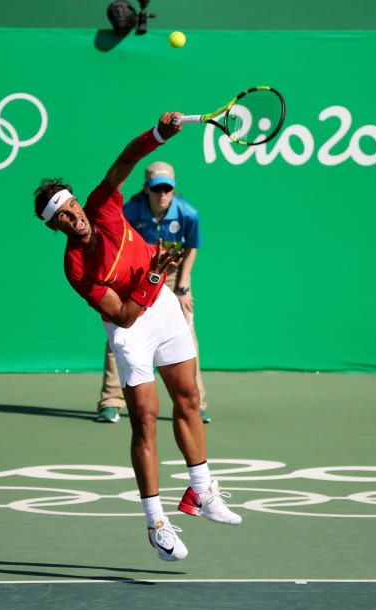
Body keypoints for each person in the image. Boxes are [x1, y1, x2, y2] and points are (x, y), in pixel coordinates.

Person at [32, 112, 241, 561]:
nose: (72, 217)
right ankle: (156, 523)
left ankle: (201, 492)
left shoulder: (103, 204)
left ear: (78, 204)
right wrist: (153, 276)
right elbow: (124, 316)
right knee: (145, 418)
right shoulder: (75, 268)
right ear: (55, 227)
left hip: (162, 306)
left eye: (71, 208)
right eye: (61, 218)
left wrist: (159, 134)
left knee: (188, 398)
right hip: (132, 330)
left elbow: (126, 159)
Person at [96, 161, 211, 425]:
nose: (162, 194)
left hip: (171, 278)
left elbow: (192, 247)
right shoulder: (129, 212)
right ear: (146, 188)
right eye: (157, 188)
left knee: (187, 337)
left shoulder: (188, 213)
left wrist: (183, 286)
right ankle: (111, 401)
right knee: (119, 337)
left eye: (167, 189)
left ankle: (197, 403)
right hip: (136, 278)